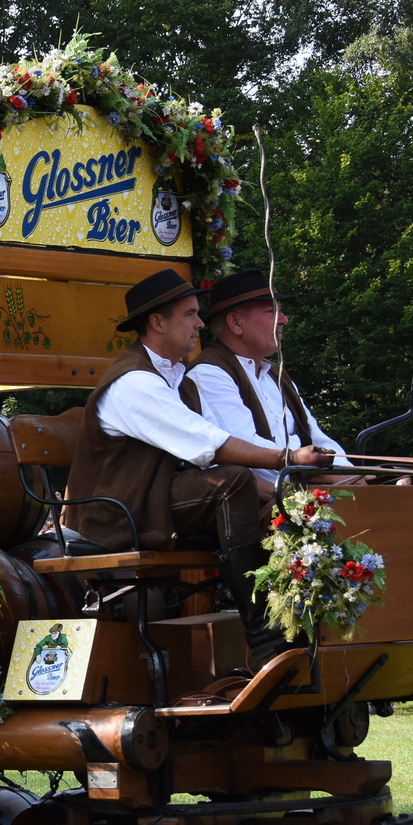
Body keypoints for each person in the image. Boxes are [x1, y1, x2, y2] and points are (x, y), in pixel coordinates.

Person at [64, 268, 335, 666]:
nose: (199, 324)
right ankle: (264, 633)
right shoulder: (133, 382)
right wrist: (290, 460)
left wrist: (285, 499)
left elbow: (212, 456)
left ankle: (292, 621)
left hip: (151, 503)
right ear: (157, 322)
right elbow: (212, 444)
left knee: (253, 490)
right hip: (113, 517)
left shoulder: (179, 381)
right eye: (190, 314)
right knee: (233, 482)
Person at [188, 270, 352, 496]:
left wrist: (353, 474)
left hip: (308, 490)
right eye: (272, 311)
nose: (284, 319)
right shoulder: (209, 373)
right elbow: (248, 454)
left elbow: (316, 437)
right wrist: (331, 477)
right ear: (235, 323)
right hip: (269, 506)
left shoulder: (275, 373)